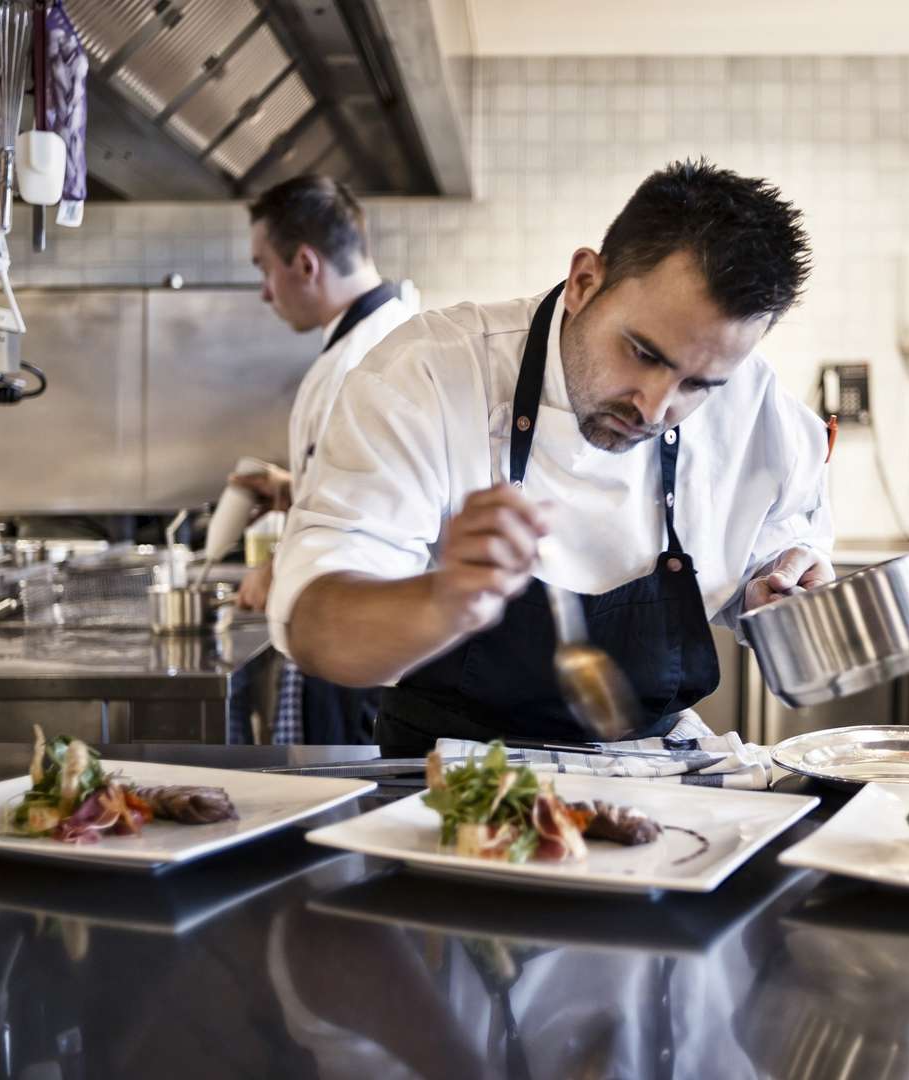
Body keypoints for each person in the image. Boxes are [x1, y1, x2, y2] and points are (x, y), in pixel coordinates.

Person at [268, 159, 834, 754]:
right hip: (443, 784)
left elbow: (776, 543)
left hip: (657, 784)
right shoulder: (431, 373)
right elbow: (314, 622)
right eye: (643, 353)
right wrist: (446, 600)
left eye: (699, 386)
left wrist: (771, 586)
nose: (654, 405)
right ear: (584, 281)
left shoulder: (754, 402)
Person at [232, 174, 414, 743]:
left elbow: (361, 526)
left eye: (264, 267)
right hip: (377, 635)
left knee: (341, 806)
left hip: (356, 637)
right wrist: (299, 486)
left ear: (306, 264)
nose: (265, 290)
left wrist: (278, 564)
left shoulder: (360, 362)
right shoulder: (390, 335)